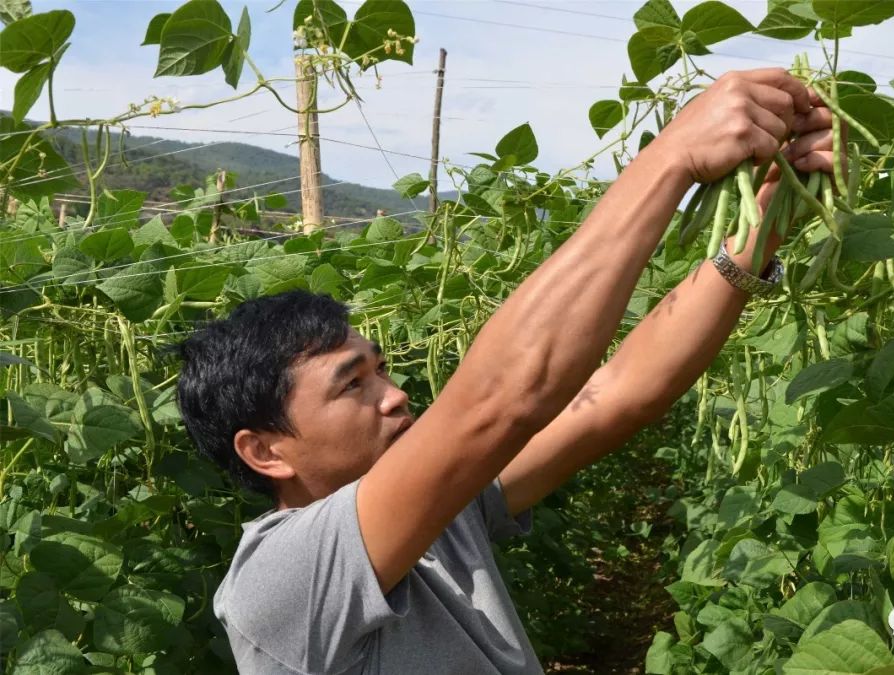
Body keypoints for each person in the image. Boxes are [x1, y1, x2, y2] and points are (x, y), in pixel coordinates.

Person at [175, 67, 842, 674]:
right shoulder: (278, 581)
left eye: (381, 370)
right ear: (264, 451)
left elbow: (615, 395)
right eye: (353, 384)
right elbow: (501, 399)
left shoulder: (438, 513)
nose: (395, 395)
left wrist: (761, 228)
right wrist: (671, 157)